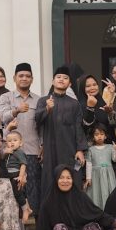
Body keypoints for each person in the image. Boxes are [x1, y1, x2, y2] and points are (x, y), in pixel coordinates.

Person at [35, 66, 88, 201]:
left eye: (65, 78)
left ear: (69, 84)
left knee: (70, 179)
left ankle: (71, 211)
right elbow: (37, 121)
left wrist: (80, 149)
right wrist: (47, 109)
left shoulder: (74, 104)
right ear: (53, 81)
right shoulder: (43, 100)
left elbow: (78, 127)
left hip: (69, 149)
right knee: (50, 180)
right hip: (50, 148)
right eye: (58, 77)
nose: (61, 80)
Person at [0, 63, 42, 215]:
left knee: (33, 190)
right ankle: (16, 226)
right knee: (14, 190)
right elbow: (2, 117)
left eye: (28, 76)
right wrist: (16, 110)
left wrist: (42, 145)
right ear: (14, 78)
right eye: (21, 76)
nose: (24, 78)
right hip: (11, 153)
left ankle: (33, 227)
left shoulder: (38, 100)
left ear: (32, 79)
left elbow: (42, 125)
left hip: (32, 151)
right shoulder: (6, 97)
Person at [84, 124, 116, 209]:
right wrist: (88, 178)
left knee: (108, 192)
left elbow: (115, 159)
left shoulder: (110, 147)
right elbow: (89, 164)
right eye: (96, 134)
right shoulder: (91, 149)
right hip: (95, 175)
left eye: (101, 134)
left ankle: (108, 210)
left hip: (108, 174)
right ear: (93, 137)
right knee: (96, 193)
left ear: (105, 136)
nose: (99, 136)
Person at [77, 74, 116, 142]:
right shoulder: (79, 105)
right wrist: (90, 107)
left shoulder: (102, 101)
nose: (92, 88)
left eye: (94, 85)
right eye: (88, 86)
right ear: (82, 88)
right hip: (90, 146)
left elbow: (113, 124)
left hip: (107, 145)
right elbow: (85, 127)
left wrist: (110, 113)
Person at [4, 131, 29, 217]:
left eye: (15, 140)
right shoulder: (8, 153)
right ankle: (27, 208)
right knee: (17, 193)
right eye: (9, 141)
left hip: (16, 174)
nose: (12, 142)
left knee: (18, 193)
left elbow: (23, 164)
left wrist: (21, 176)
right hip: (8, 175)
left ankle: (25, 209)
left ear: (20, 143)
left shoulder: (19, 152)